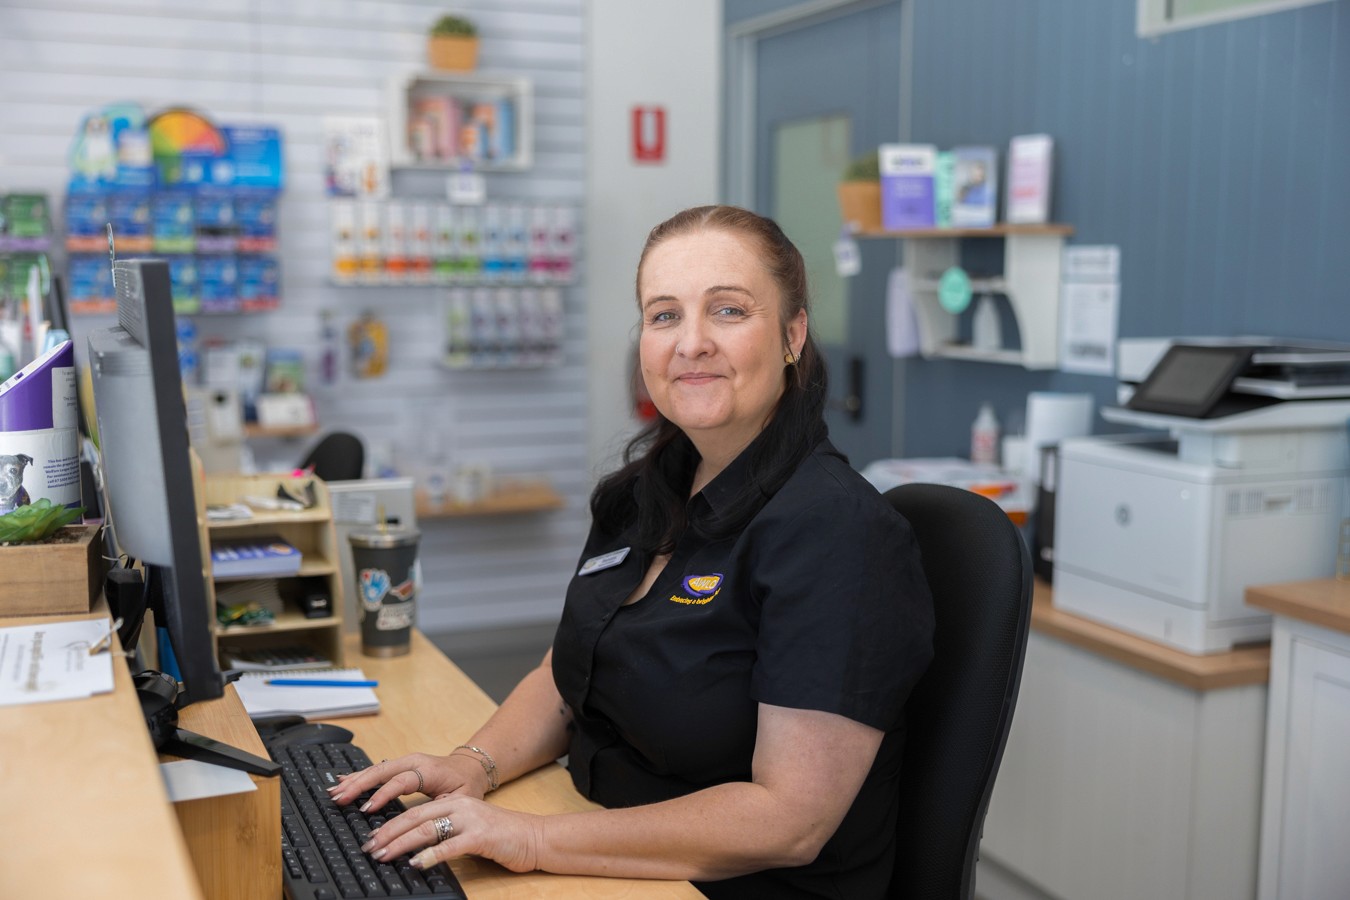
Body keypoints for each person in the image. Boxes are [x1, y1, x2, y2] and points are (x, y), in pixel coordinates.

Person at [329, 205, 935, 898]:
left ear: (792, 334)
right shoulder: (641, 494)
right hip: (604, 843)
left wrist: (531, 838)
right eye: (664, 315)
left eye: (729, 311)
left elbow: (787, 820)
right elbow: (568, 672)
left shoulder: (837, 532)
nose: (691, 343)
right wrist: (473, 765)